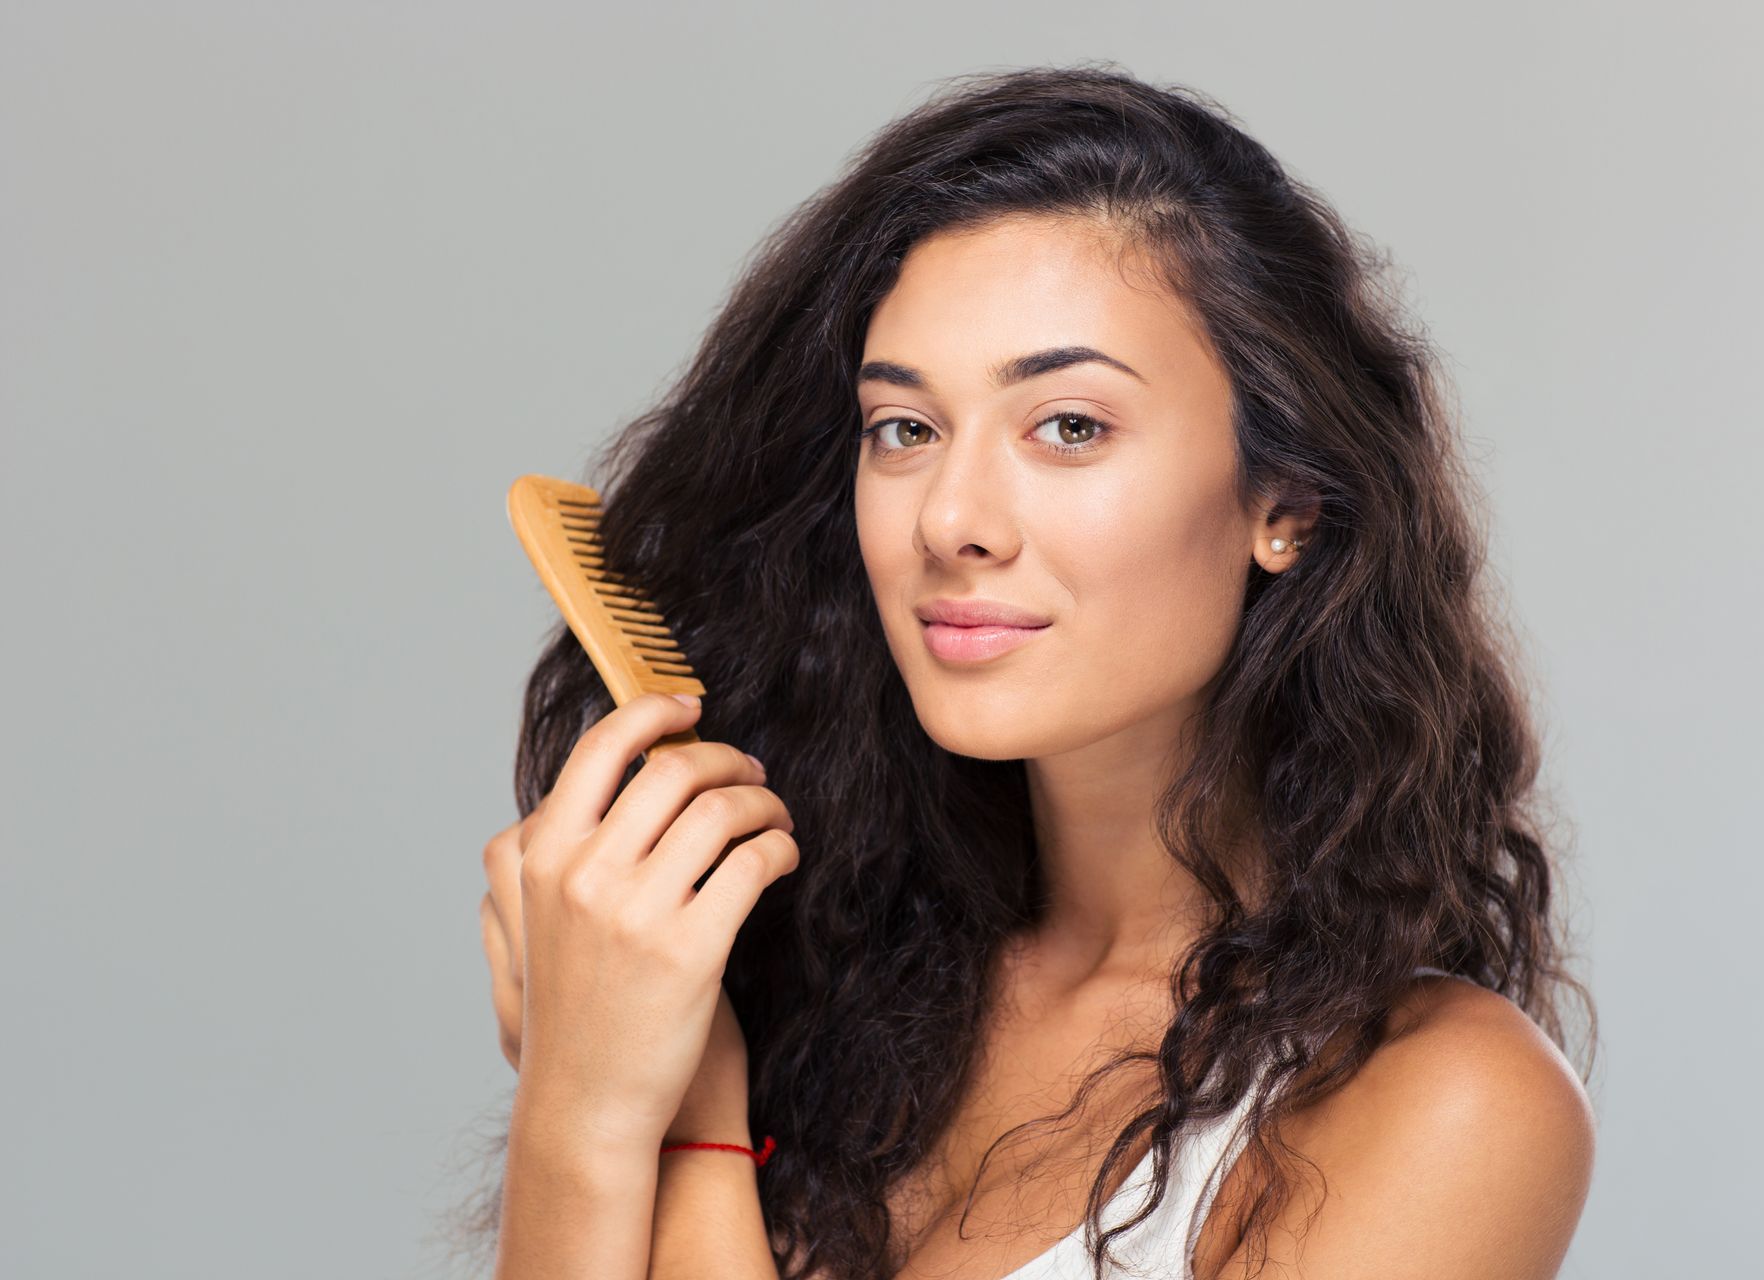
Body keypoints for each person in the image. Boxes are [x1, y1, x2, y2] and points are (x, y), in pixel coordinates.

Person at [470, 63, 1597, 1280]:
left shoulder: (1442, 1103)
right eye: (905, 429)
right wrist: (604, 1103)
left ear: (1287, 504)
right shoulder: (837, 986)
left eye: (1069, 426)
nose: (951, 518)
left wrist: (644, 1116)